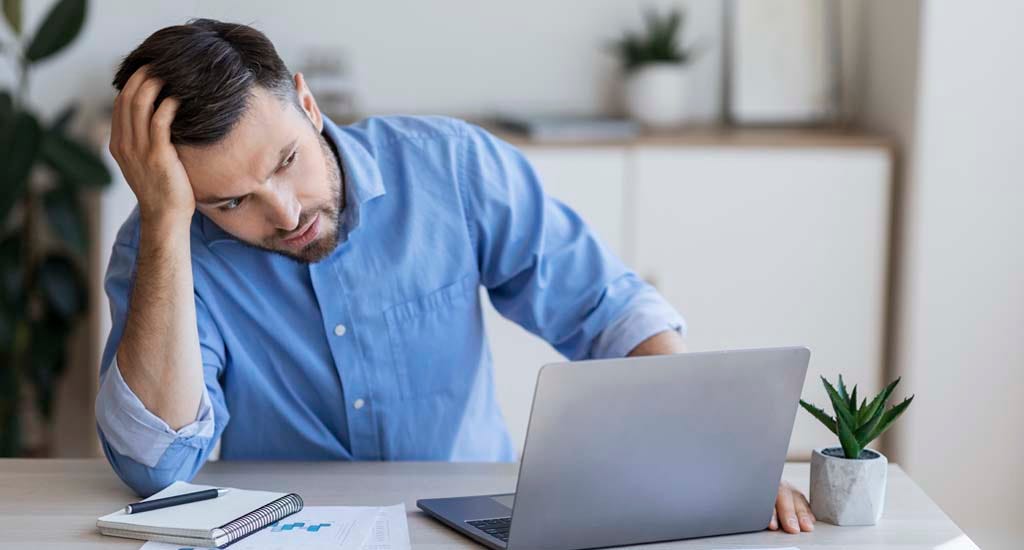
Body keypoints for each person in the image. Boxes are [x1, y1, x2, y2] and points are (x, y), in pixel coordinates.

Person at [96, 18, 814, 534]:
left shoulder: (451, 165)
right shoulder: (165, 244)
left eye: (286, 162)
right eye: (230, 202)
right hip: (294, 534)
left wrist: (719, 459)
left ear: (308, 105)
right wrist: (165, 222)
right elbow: (156, 468)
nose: (283, 215)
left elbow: (605, 311)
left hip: (473, 527)